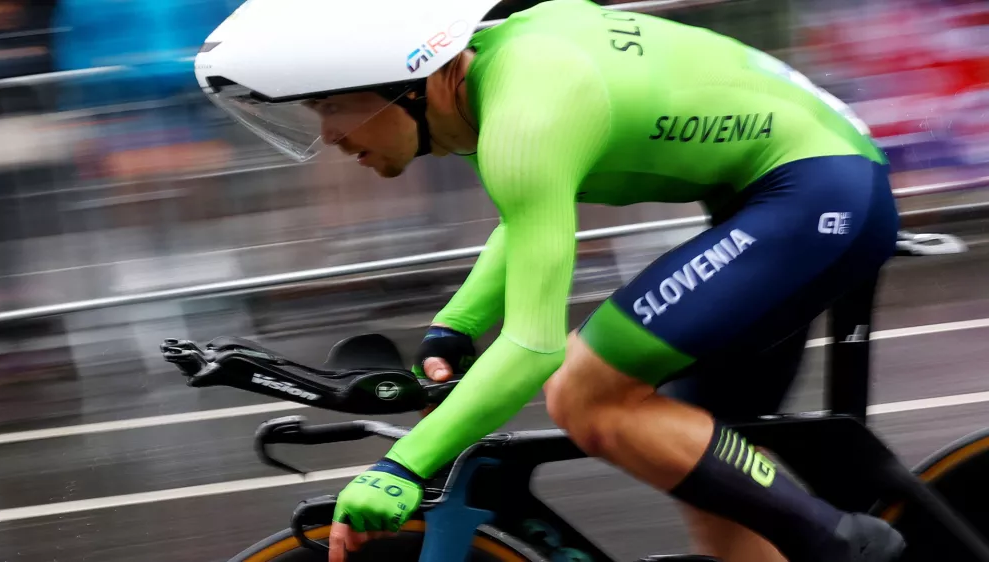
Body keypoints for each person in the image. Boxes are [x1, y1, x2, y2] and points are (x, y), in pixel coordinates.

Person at [193, 0, 906, 560]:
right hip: (799, 187)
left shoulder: (524, 115)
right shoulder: (497, 77)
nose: (333, 140)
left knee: (586, 392)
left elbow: (533, 347)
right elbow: (530, 216)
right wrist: (459, 325)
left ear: (406, 82)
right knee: (699, 466)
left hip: (819, 192)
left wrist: (404, 468)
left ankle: (840, 543)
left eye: (331, 108)